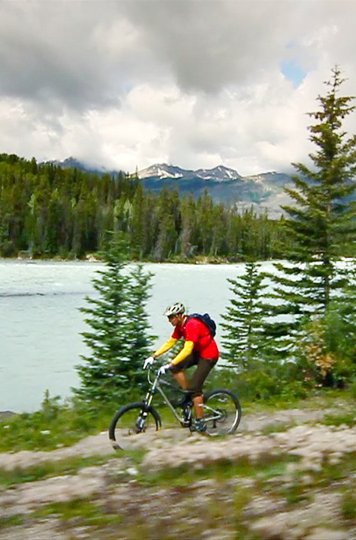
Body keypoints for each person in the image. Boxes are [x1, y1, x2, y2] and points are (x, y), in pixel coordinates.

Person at [143, 302, 219, 433]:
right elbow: (170, 342)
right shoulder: (179, 326)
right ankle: (189, 397)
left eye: (171, 317)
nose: (169, 320)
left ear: (179, 315)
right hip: (198, 353)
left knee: (195, 388)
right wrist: (154, 356)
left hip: (208, 355)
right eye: (168, 318)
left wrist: (170, 363)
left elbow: (187, 349)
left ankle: (200, 422)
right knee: (176, 368)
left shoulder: (192, 325)